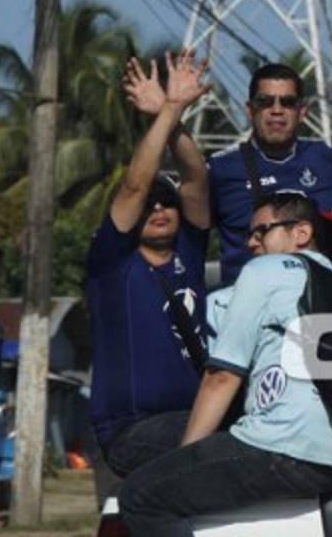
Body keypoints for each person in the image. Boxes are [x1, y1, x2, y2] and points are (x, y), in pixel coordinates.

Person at [118, 191, 332, 536]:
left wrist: (188, 462)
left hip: (286, 450)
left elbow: (222, 377)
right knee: (134, 446)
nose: (251, 243)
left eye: (261, 232)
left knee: (141, 494)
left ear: (301, 233)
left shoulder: (265, 270)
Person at [86, 49, 212, 478]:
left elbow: (196, 178)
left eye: (168, 203)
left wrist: (172, 118)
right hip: (133, 429)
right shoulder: (112, 264)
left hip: (193, 419)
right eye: (150, 206)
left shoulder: (189, 255)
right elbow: (136, 184)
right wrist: (170, 110)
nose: (159, 209)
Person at [207, 62, 332, 286]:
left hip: (315, 302)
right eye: (265, 102)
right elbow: (188, 238)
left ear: (302, 111)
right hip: (246, 303)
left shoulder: (326, 159)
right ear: (250, 110)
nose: (277, 110)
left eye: (287, 102)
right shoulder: (221, 168)